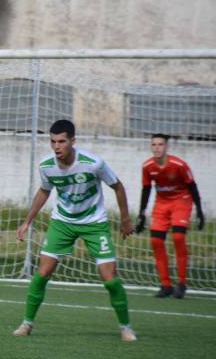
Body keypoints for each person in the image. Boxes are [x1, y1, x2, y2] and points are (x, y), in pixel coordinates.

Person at [13, 119, 137, 342]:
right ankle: (26, 323)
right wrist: (26, 221)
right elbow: (44, 191)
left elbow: (117, 186)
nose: (57, 146)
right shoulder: (46, 166)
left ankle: (126, 327)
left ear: (73, 141)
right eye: (53, 141)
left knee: (109, 278)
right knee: (42, 273)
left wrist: (125, 219)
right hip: (62, 222)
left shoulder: (93, 163)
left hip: (94, 223)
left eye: (62, 141)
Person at [135, 133, 205, 299]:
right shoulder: (147, 166)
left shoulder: (179, 165)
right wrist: (141, 214)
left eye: (160, 144)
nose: (157, 148)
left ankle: (181, 283)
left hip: (181, 201)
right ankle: (166, 285)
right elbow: (146, 189)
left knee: (178, 238)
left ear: (166, 147)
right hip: (161, 204)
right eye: (154, 144)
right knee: (156, 241)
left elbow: (192, 186)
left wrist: (200, 211)